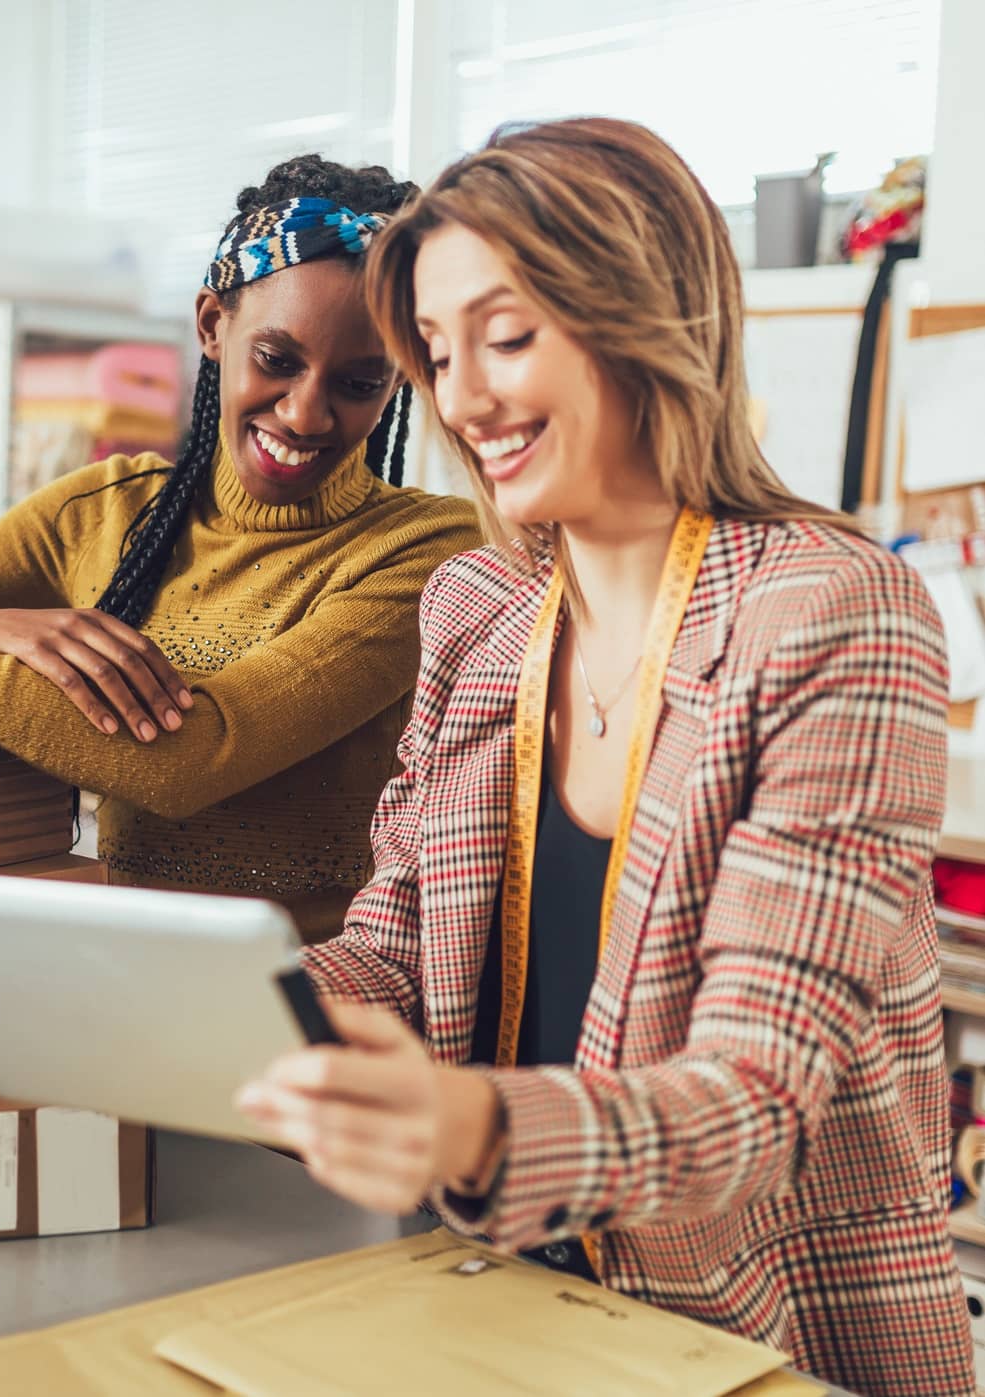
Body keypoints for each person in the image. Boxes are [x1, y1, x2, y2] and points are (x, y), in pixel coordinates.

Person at [236, 119, 975, 1395]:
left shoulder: (831, 612)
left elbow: (753, 1098)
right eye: (439, 352)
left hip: (755, 1332)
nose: (463, 400)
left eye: (507, 336)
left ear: (643, 314)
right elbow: (397, 944)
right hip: (491, 1295)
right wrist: (244, 1007)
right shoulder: (478, 608)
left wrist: (464, 1126)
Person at [0, 155, 480, 941]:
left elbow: (188, 759)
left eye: (359, 382)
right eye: (276, 361)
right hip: (115, 974)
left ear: (400, 380)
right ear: (212, 325)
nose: (306, 414)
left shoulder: (426, 551)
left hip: (315, 1008)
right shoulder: (104, 509)